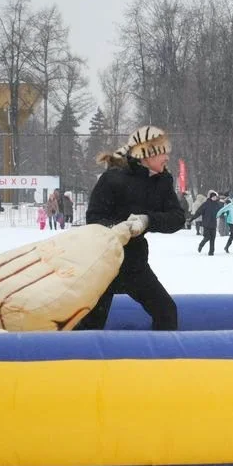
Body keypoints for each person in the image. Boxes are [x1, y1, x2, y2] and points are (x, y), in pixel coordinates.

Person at [75, 125, 185, 331]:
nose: (167, 157)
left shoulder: (163, 180)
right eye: (163, 152)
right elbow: (94, 219)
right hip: (104, 265)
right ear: (147, 154)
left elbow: (177, 218)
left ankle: (161, 352)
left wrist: (147, 220)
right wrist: (120, 229)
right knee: (91, 324)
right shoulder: (113, 178)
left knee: (167, 312)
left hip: (134, 265)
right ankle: (77, 352)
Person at [189, 190, 221, 255]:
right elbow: (198, 212)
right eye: (213, 197)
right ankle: (201, 244)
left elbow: (220, 211)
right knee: (207, 237)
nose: (214, 198)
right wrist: (192, 219)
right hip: (206, 224)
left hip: (213, 224)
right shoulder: (206, 204)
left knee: (213, 239)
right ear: (210, 197)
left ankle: (211, 252)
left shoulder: (217, 204)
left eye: (215, 197)